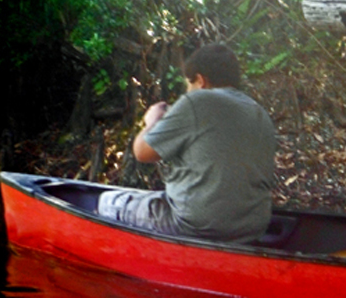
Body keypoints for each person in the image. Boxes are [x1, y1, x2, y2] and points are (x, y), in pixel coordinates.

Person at [97, 44, 276, 244]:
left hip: (196, 225)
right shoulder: (260, 113)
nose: (187, 92)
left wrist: (152, 122)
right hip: (252, 228)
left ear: (200, 81)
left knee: (107, 201)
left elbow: (141, 152)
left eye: (188, 85)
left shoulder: (197, 101)